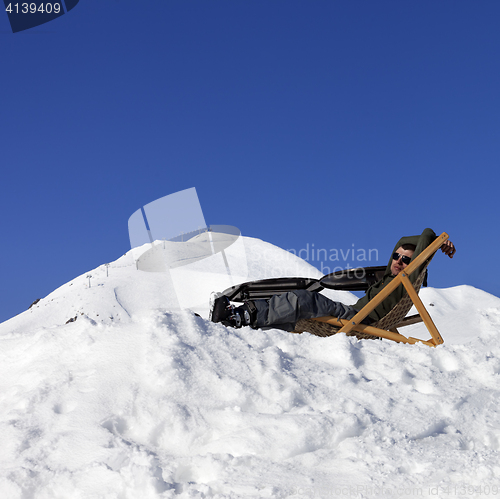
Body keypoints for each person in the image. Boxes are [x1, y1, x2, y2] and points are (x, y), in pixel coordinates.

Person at [210, 228, 456, 331]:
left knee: (305, 299)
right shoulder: (391, 276)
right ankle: (239, 321)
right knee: (300, 310)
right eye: (396, 255)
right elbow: (405, 238)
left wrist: (435, 241)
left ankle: (239, 315)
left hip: (358, 318)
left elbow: (424, 236)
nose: (398, 261)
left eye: (406, 260)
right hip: (353, 313)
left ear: (413, 266)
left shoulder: (403, 280)